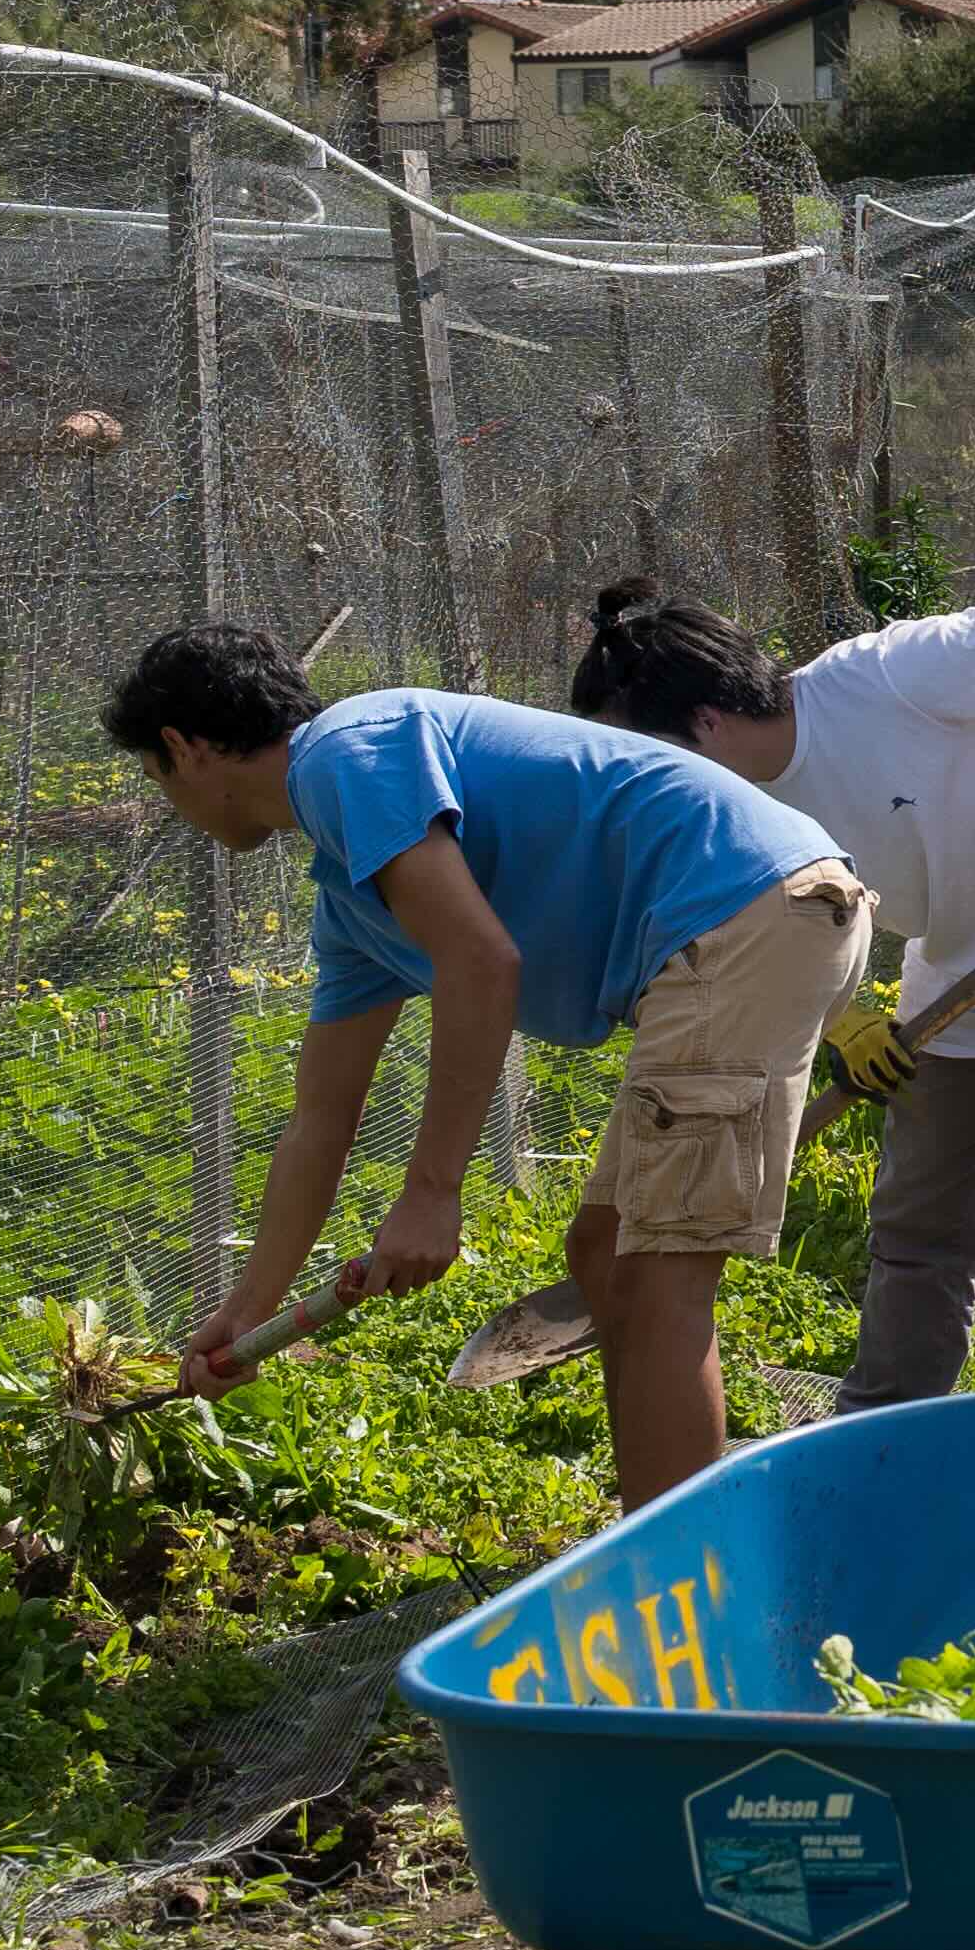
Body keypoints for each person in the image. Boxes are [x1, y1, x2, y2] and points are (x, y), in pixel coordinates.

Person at [129, 630, 872, 1512]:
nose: (172, 804)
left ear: (184, 747)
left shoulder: (342, 754)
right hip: (745, 918)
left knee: (663, 1274)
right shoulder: (354, 904)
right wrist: (253, 1305)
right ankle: (651, 1543)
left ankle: (674, 1596)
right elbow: (318, 1123)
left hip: (741, 909)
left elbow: (483, 964)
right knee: (603, 1252)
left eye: (157, 777)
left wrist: (432, 1192)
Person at [569, 576, 975, 1407]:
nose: (648, 780)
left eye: (650, 755)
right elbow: (775, 939)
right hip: (959, 968)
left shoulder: (895, 674)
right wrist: (845, 1017)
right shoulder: (730, 812)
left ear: (706, 723)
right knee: (918, 1228)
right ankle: (884, 1423)